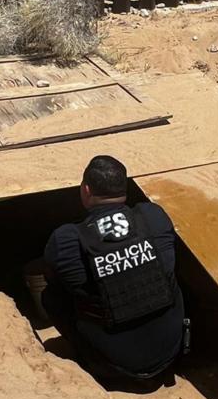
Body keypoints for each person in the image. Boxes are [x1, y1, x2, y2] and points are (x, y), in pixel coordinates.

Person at [42, 155, 184, 380]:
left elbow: (55, 279)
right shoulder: (152, 216)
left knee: (51, 297)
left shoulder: (66, 238)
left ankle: (89, 361)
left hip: (118, 366)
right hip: (171, 351)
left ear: (86, 190)